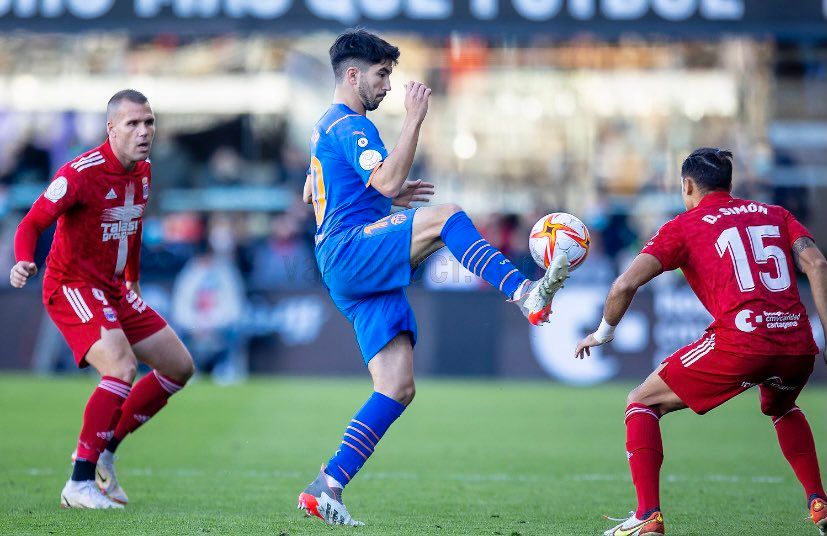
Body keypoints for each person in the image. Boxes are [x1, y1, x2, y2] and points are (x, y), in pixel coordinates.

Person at [296, 29, 569, 526]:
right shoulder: (348, 123)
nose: (387, 87)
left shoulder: (325, 127)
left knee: (397, 386)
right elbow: (386, 179)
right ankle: (524, 290)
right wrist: (415, 120)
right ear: (352, 75)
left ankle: (327, 485)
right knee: (446, 217)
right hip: (351, 252)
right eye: (381, 76)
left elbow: (320, 191)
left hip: (349, 261)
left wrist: (381, 202)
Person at [575, 148, 827, 536]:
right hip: (797, 342)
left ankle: (647, 517)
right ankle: (818, 501)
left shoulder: (686, 225)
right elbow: (818, 264)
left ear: (687, 185)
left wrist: (603, 332)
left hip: (743, 342)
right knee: (782, 407)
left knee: (641, 402)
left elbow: (624, 284)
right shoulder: (776, 214)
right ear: (730, 184)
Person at [10, 89, 194, 509]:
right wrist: (23, 261)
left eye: (149, 122)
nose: (144, 131)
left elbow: (132, 229)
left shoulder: (144, 170)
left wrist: (132, 279)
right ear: (111, 129)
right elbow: (32, 222)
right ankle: (78, 482)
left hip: (114, 287)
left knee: (179, 367)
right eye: (133, 123)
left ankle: (105, 449)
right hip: (71, 285)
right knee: (122, 366)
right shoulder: (79, 173)